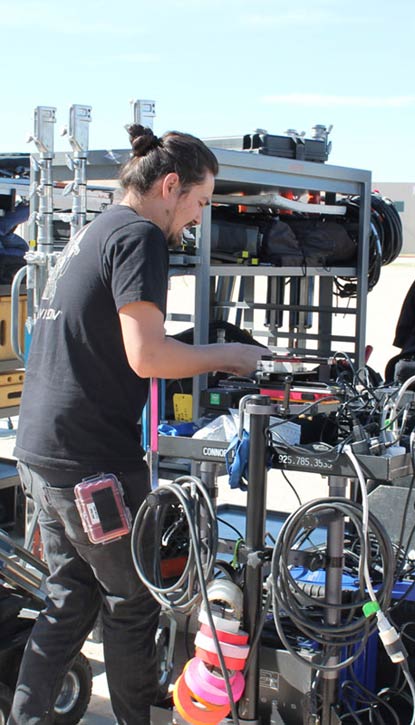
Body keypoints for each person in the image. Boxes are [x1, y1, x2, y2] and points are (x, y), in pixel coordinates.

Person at [9, 126, 266, 724]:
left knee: (70, 597)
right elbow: (146, 358)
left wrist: (203, 345)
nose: (197, 219)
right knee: (133, 600)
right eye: (200, 202)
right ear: (170, 186)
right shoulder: (140, 236)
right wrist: (230, 357)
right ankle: (136, 715)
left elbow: (110, 341)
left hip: (43, 452)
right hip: (91, 464)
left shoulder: (96, 230)